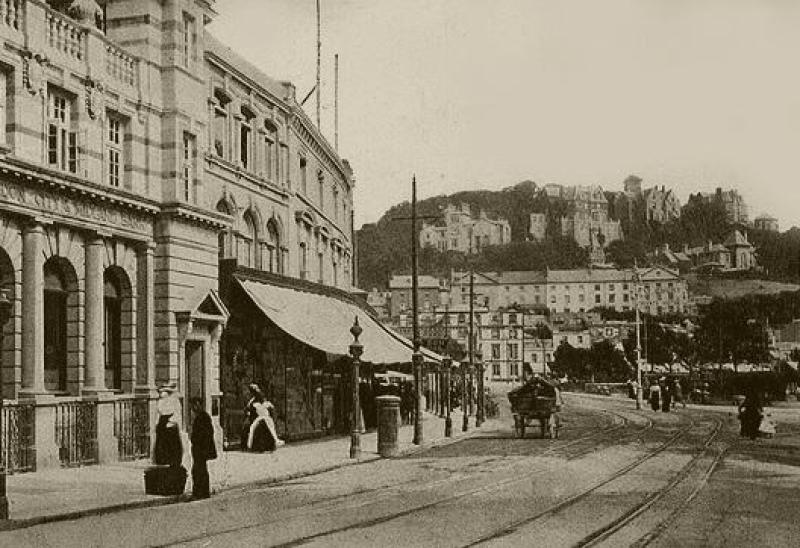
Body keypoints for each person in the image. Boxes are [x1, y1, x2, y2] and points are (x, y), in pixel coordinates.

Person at [189, 397, 217, 499]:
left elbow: (205, 434)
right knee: (200, 470)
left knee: (198, 471)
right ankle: (203, 492)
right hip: (200, 449)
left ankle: (199, 493)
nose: (192, 408)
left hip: (201, 449)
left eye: (193, 405)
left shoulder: (202, 417)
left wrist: (196, 442)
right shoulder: (202, 416)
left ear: (198, 404)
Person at [244, 384, 284, 452]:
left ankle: (275, 440)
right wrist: (250, 414)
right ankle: (250, 445)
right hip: (256, 417)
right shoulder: (252, 401)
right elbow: (248, 410)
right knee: (254, 427)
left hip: (263, 417)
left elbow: (269, 408)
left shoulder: (263, 400)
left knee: (269, 423)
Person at [153, 383, 183, 467]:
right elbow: (158, 413)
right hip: (162, 425)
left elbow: (177, 414)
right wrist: (157, 423)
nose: (161, 394)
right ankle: (162, 459)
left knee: (172, 444)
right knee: (162, 444)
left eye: (163, 392)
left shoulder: (174, 401)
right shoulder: (160, 402)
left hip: (170, 426)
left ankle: (173, 460)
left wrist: (171, 422)